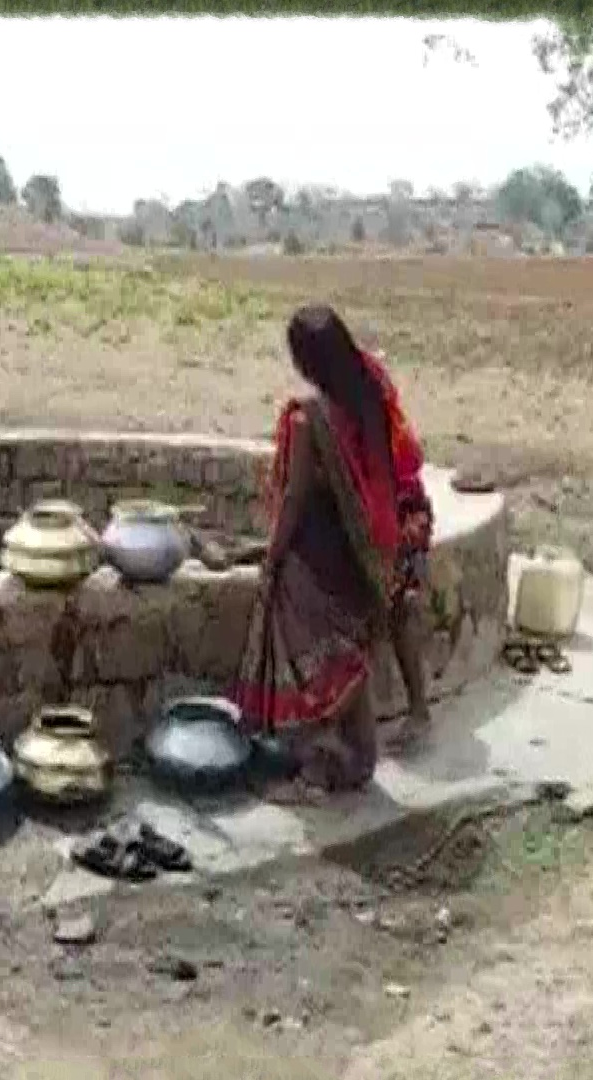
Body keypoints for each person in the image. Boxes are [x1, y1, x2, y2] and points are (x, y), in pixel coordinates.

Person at [228, 304, 435, 799]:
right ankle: (391, 722)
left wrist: (272, 559)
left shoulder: (309, 419)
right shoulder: (369, 387)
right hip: (374, 544)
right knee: (378, 625)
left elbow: (296, 498)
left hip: (344, 552)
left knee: (293, 607)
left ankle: (318, 743)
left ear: (306, 360)